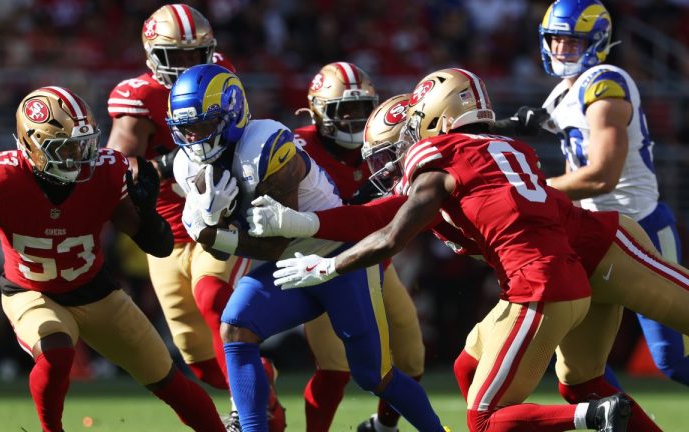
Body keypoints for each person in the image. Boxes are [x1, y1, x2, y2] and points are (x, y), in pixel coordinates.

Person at [261, 68, 634, 432]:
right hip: (541, 276)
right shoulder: (464, 155)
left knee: (483, 414)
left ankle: (594, 415)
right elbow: (373, 212)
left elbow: (379, 228)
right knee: (464, 366)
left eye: (391, 154)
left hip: (541, 282)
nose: (385, 170)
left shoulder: (436, 174)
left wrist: (314, 246)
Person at [170, 63, 446, 432]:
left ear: (231, 114)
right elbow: (224, 254)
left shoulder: (266, 147)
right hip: (291, 264)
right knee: (235, 329)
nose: (194, 138)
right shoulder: (186, 165)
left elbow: (273, 243)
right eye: (186, 128)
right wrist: (209, 226)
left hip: (339, 257)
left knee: (373, 376)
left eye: (204, 125)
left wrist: (209, 233)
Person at [0, 86, 225, 432]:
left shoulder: (105, 172)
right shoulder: (1, 178)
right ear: (32, 146)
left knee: (169, 381)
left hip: (97, 291)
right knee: (57, 353)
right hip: (31, 291)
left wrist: (148, 212)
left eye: (84, 144)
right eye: (67, 148)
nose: (80, 156)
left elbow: (159, 246)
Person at [105, 4, 285, 428]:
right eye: (177, 55)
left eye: (195, 53)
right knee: (200, 362)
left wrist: (171, 163)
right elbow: (117, 165)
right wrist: (151, 170)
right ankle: (263, 391)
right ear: (153, 55)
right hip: (168, 234)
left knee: (214, 300)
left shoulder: (220, 75)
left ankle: (245, 413)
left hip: (219, 216)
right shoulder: (138, 97)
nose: (188, 64)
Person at [493, 0, 689, 386]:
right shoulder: (562, 93)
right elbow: (557, 143)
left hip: (641, 230)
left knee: (673, 359)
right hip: (597, 236)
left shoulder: (605, 84)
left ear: (597, 42)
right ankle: (617, 415)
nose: (560, 50)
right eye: (555, 40)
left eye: (572, 42)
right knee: (579, 368)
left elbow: (602, 176)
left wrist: (534, 189)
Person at [293, 62, 426, 432]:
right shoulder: (296, 147)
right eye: (344, 110)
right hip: (320, 266)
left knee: (411, 358)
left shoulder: (386, 142)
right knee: (334, 369)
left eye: (361, 109)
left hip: (375, 263)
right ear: (318, 110)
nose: (354, 119)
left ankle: (383, 427)